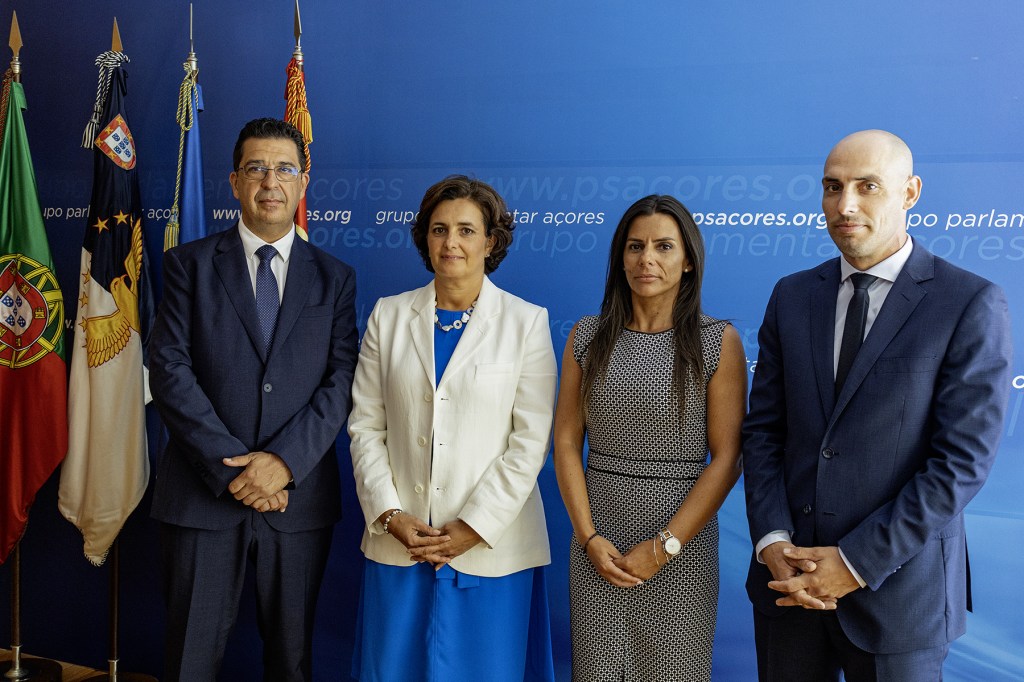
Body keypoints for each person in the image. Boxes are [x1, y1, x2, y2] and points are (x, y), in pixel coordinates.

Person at [743, 129, 1013, 681]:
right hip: (787, 588)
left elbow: (960, 463)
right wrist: (772, 541)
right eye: (832, 187)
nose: (845, 205)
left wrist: (854, 562)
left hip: (901, 599)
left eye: (868, 186)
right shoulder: (792, 295)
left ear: (910, 193)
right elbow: (764, 432)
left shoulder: (968, 302)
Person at [148, 118, 358, 681]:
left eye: (285, 169)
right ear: (235, 181)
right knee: (189, 662)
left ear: (303, 182)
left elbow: (341, 379)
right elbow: (168, 369)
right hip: (202, 494)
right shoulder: (187, 264)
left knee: (292, 662)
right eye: (256, 168)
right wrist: (235, 470)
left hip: (297, 501)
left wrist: (283, 463)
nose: (271, 181)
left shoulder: (335, 278)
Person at [347, 175, 558, 681]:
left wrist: (472, 527)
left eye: (466, 230)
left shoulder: (526, 322)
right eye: (439, 229)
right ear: (425, 239)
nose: (451, 243)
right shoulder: (387, 316)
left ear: (491, 241)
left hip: (491, 550)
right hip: (401, 545)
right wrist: (390, 514)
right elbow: (365, 427)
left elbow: (529, 444)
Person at [553, 194, 747, 680]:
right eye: (635, 246)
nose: (647, 259)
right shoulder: (587, 336)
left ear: (688, 261)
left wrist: (664, 546)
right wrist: (588, 537)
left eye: (664, 246)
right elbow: (566, 443)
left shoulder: (717, 341)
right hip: (598, 542)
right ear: (621, 258)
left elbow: (727, 458)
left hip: (681, 543)